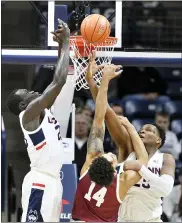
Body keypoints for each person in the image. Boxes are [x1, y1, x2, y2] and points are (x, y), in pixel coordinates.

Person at [86, 51, 175, 222]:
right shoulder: (128, 149)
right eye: (141, 128)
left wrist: (140, 168)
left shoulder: (166, 159)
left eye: (149, 129)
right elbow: (106, 112)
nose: (142, 131)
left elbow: (165, 189)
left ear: (159, 140)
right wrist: (92, 82)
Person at [6, 20, 70, 222]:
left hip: (53, 182)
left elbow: (56, 81)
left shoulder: (42, 112)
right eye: (27, 93)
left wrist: (60, 46)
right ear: (24, 106)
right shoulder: (28, 116)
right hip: (40, 182)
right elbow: (59, 81)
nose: (32, 90)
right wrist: (67, 42)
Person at [71, 62, 148, 222]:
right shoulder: (123, 178)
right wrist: (131, 128)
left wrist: (99, 81)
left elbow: (99, 118)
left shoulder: (89, 170)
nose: (110, 155)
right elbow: (143, 163)